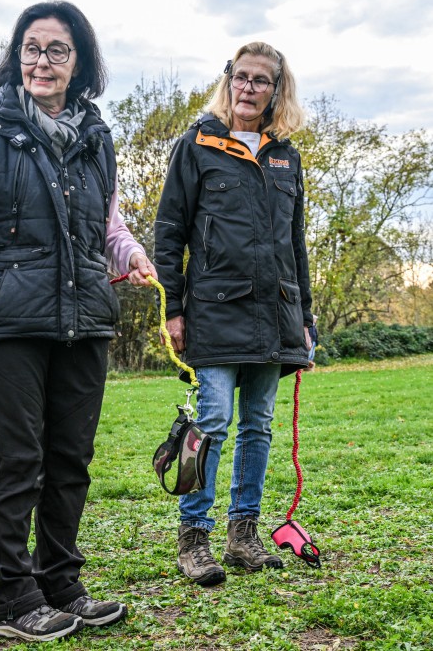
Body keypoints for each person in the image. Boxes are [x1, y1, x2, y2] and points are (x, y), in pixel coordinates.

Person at [0, 0, 157, 643]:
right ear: (16, 55)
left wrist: (131, 254)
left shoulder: (96, 136)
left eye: (57, 50)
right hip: (2, 319)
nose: (41, 61)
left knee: (70, 458)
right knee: (17, 459)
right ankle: (12, 598)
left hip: (83, 316)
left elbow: (106, 224)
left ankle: (60, 581)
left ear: (80, 63)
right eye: (31, 47)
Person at [153, 41, 313, 587]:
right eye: (240, 77)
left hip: (276, 314)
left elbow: (296, 244)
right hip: (214, 311)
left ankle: (244, 534)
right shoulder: (196, 145)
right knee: (213, 419)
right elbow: (170, 230)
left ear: (276, 89)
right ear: (228, 81)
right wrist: (174, 306)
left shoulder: (286, 156)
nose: (248, 88)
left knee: (259, 426)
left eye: (260, 80)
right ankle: (193, 538)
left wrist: (306, 319)